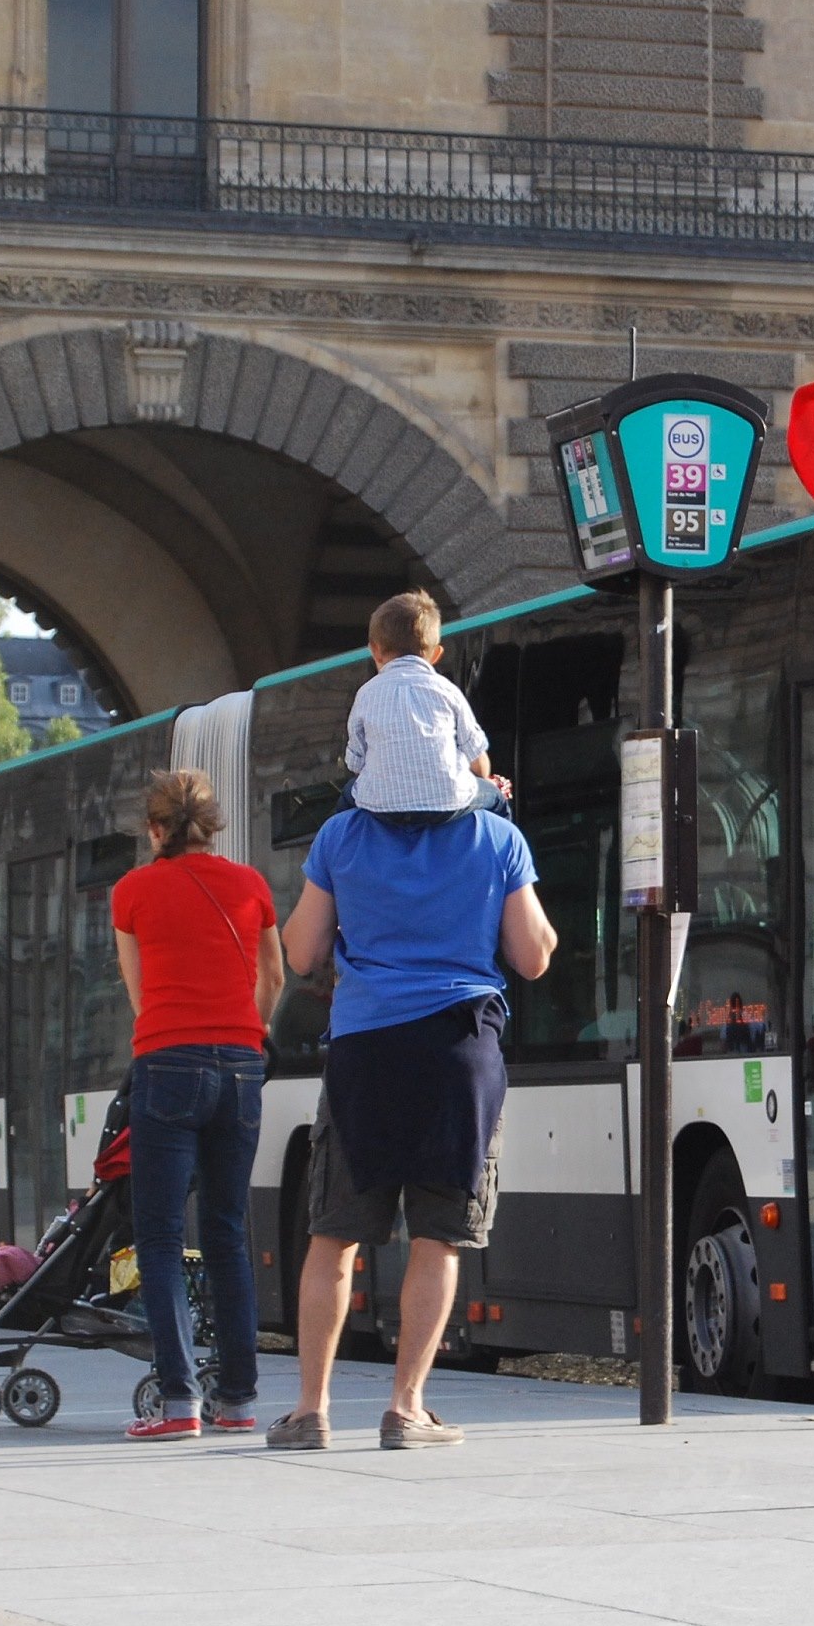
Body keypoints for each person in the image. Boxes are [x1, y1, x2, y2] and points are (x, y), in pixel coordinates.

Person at [271, 788, 557, 1450]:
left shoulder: (341, 835)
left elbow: (302, 951)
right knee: (437, 1237)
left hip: (365, 1053)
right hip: (458, 1055)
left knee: (334, 1235)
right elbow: (534, 954)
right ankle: (406, 1407)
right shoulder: (496, 839)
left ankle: (310, 1409)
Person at [109, 769, 284, 1441]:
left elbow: (139, 987)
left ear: (156, 829)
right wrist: (250, 1030)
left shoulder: (132, 891)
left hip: (168, 1060)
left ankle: (179, 1401)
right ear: (213, 827)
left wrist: (171, 1036)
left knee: (157, 1235)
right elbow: (272, 975)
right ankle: (237, 1399)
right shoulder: (251, 886)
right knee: (226, 1232)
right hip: (240, 1064)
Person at [343, 590, 509, 820]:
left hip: (383, 810)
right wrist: (483, 781)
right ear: (437, 654)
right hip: (447, 805)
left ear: (375, 650)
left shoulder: (365, 695)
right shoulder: (447, 691)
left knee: (346, 797)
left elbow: (356, 763)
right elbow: (479, 761)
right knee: (497, 800)